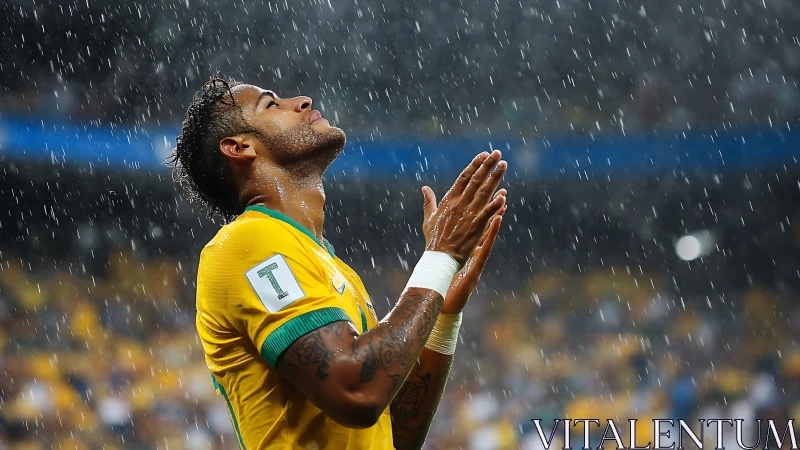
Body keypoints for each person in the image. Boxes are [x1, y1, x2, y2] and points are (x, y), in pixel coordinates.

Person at [169, 74, 509, 450]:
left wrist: (443, 312)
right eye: (271, 104)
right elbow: (356, 393)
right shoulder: (245, 243)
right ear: (239, 148)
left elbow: (396, 434)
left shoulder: (333, 266)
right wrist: (439, 257)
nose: (301, 100)